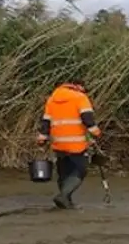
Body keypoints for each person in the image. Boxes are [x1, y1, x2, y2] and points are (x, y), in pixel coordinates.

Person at [36, 78, 102, 210]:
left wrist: (42, 138)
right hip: (76, 143)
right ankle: (63, 196)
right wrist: (96, 132)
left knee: (64, 172)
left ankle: (66, 203)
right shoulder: (80, 97)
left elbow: (45, 122)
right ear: (77, 86)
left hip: (58, 143)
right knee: (80, 170)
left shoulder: (52, 99)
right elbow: (87, 119)